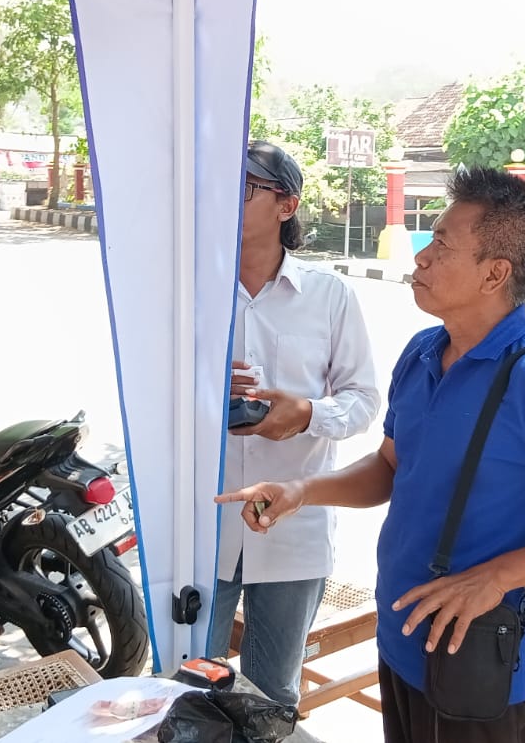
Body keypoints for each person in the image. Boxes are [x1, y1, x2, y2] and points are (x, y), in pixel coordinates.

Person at [218, 168, 525, 743]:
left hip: (476, 661)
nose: (422, 258)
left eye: (443, 245)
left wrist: (497, 577)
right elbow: (390, 469)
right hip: (403, 641)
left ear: (495, 273)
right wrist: (304, 490)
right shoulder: (424, 352)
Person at [205, 141, 379, 708]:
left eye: (247, 188)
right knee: (188, 686)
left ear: (286, 205)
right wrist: (197, 390)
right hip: (202, 525)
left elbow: (363, 400)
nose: (228, 198)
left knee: (271, 695)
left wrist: (306, 414)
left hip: (291, 527)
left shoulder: (328, 297)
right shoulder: (193, 295)